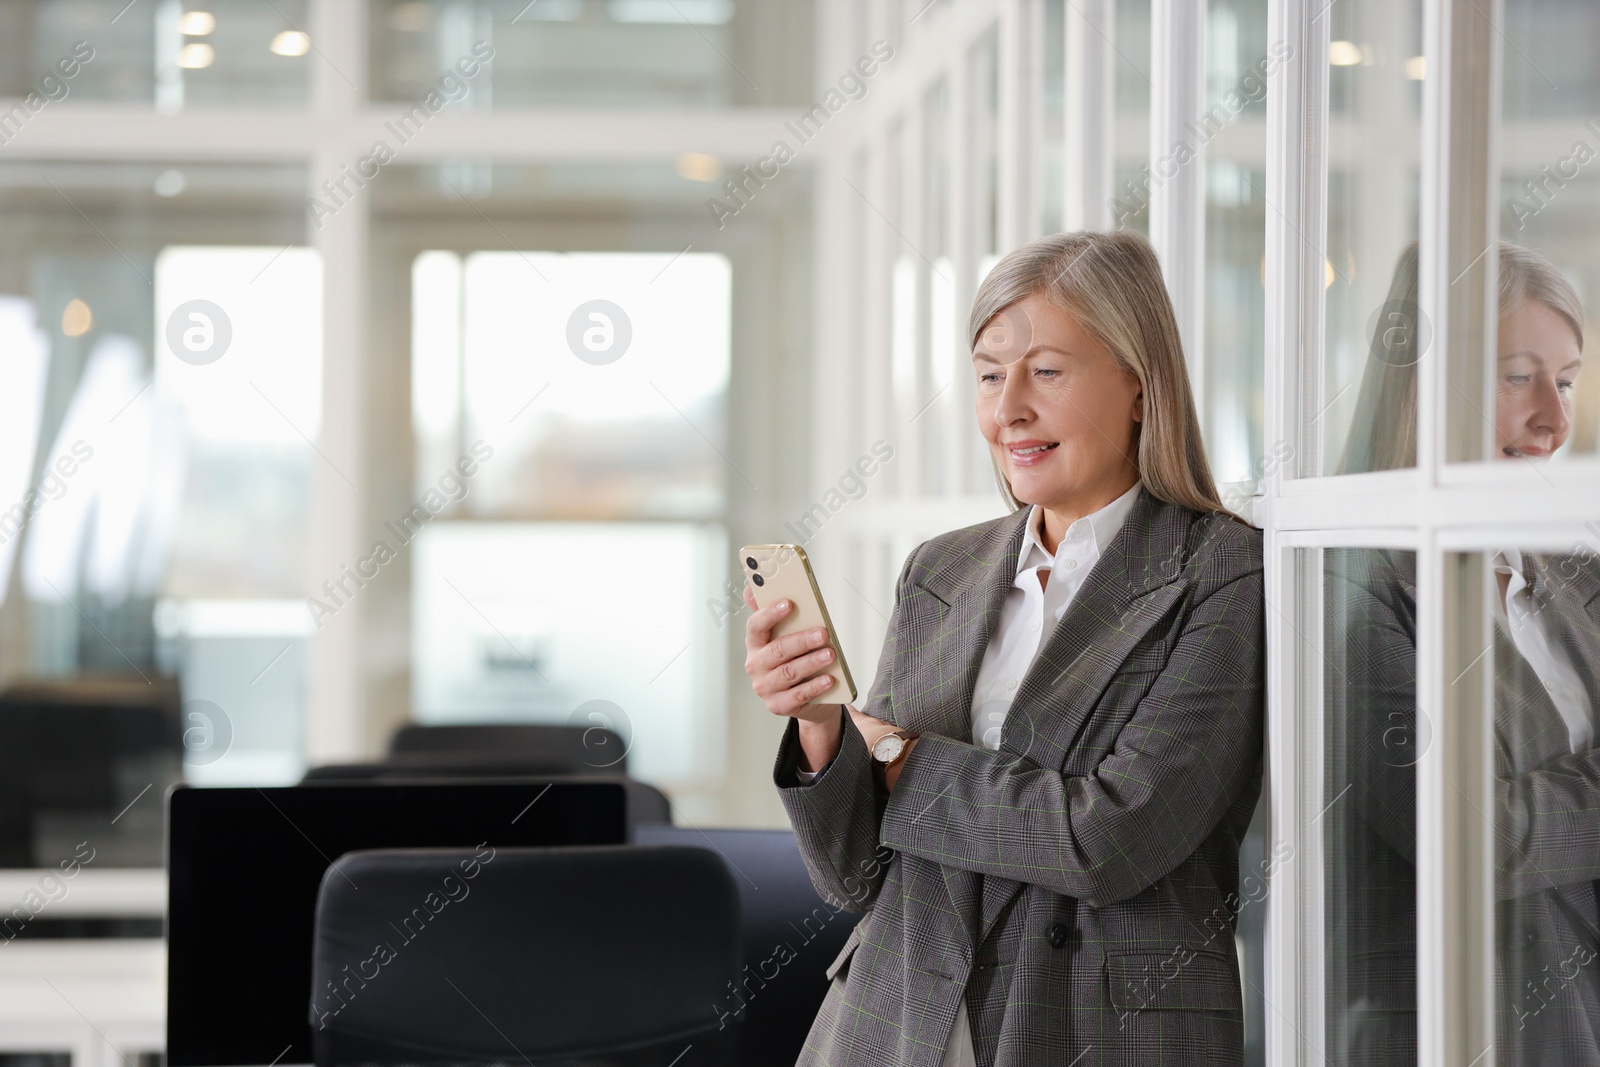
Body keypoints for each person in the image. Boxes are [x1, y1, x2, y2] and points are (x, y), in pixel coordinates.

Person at [743, 230, 1266, 1066]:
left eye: (1046, 372)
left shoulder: (1221, 569)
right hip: (897, 1023)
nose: (1007, 408)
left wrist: (895, 752)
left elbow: (1103, 841)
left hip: (1097, 1030)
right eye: (990, 374)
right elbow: (855, 877)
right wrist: (824, 731)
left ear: (1140, 384)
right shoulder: (943, 567)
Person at [1328, 240, 1596, 1064]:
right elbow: (1478, 837)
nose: (1554, 418)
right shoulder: (1358, 590)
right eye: (1519, 376)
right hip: (1470, 1027)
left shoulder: (1570, 563)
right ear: (1428, 386)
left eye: (1567, 379)